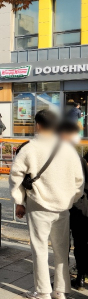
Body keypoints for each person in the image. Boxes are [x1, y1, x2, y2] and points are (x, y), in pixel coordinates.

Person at [9, 109, 84, 299]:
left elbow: (16, 176)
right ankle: (61, 291)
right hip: (63, 207)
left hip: (38, 205)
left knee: (40, 248)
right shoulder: (68, 149)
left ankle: (42, 291)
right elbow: (79, 181)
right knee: (62, 249)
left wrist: (19, 201)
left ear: (38, 125)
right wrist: (71, 199)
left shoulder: (30, 148)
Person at [56, 120, 88, 290]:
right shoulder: (80, 159)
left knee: (62, 244)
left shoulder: (63, 159)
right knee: (81, 243)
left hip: (66, 205)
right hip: (82, 206)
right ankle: (81, 277)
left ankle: (64, 279)